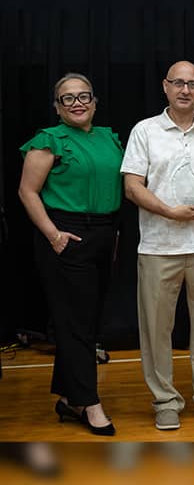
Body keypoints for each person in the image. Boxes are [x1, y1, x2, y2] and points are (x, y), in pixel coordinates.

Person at [121, 60, 194, 430]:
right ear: (165, 87)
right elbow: (132, 187)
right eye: (178, 83)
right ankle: (165, 400)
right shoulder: (145, 131)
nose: (185, 90)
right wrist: (169, 211)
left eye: (192, 84)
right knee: (156, 329)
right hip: (157, 246)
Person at [18, 73, 122, 436]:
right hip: (66, 234)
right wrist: (53, 235)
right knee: (76, 325)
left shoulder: (109, 138)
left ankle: (70, 399)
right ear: (57, 107)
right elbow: (27, 192)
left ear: (94, 101)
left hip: (104, 233)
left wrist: (113, 234)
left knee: (86, 323)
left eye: (83, 96)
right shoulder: (49, 141)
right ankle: (90, 403)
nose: (77, 103)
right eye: (68, 98)